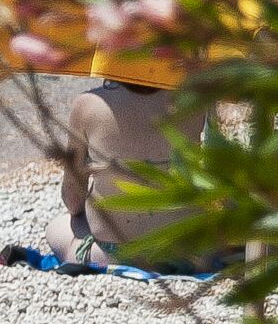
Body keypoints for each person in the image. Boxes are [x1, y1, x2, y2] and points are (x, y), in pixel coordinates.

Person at [55, 76, 189, 269]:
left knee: (58, 227)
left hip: (114, 253)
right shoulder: (194, 100)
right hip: (186, 251)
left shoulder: (88, 104)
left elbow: (73, 202)